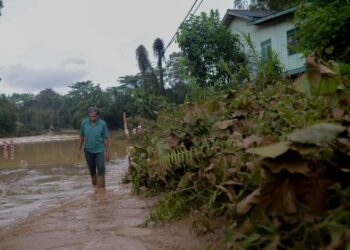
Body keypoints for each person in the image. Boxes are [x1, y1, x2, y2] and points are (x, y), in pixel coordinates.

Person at [77, 106, 110, 188]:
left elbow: (105, 138)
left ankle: (101, 189)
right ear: (88, 115)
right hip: (88, 150)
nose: (92, 118)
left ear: (97, 115)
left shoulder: (102, 124)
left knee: (101, 168)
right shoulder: (84, 123)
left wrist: (107, 152)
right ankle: (95, 186)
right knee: (92, 169)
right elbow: (81, 137)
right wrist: (79, 150)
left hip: (99, 150)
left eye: (94, 116)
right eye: (90, 116)